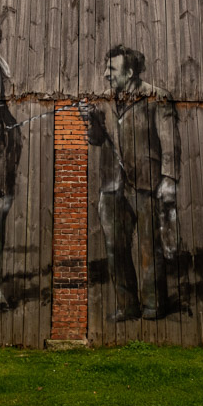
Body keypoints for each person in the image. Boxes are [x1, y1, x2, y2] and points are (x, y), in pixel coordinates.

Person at [85, 45, 180, 321]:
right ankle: (127, 306)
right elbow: (96, 139)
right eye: (106, 68)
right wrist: (90, 122)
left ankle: (153, 304)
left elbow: (170, 142)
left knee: (150, 246)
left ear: (129, 72)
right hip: (112, 187)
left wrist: (169, 179)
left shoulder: (157, 98)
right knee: (116, 248)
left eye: (111, 70)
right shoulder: (102, 101)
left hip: (146, 184)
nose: (105, 75)